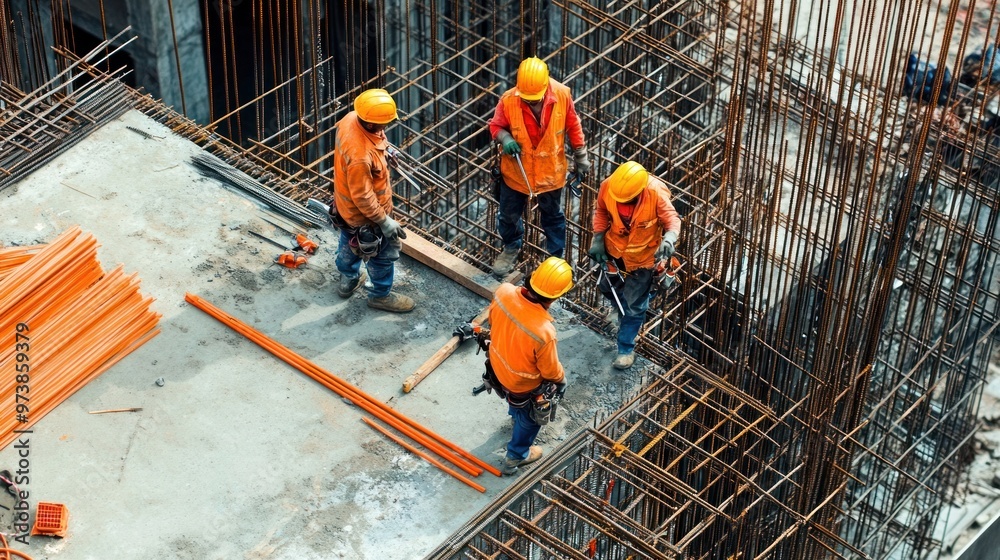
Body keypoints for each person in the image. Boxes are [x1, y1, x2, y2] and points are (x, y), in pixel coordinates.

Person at [488, 57, 590, 277]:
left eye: (534, 99)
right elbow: (495, 126)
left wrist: (581, 155)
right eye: (527, 99)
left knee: (553, 217)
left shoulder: (562, 94)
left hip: (550, 173)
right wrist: (505, 138)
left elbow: (573, 125)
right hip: (516, 173)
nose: (530, 102)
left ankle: (555, 258)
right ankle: (511, 246)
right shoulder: (509, 100)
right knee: (508, 216)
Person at [589, 161, 681, 369]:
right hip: (615, 250)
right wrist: (598, 239)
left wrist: (669, 238)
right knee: (605, 286)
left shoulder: (655, 192)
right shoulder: (609, 186)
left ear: (639, 191)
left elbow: (672, 219)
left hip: (643, 259)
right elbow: (601, 211)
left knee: (634, 306)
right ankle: (618, 307)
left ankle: (625, 348)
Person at [487, 257, 573, 475]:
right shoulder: (544, 331)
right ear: (556, 296)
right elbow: (549, 371)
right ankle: (515, 457)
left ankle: (514, 414)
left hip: (497, 365)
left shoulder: (504, 291)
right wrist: (561, 380)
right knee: (531, 418)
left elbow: (493, 322)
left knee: (514, 401)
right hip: (521, 383)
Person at [332, 88, 414, 313]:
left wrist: (385, 151)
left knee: (348, 242)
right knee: (381, 255)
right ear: (370, 123)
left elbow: (373, 140)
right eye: (383, 124)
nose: (386, 127)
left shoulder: (351, 118)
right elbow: (363, 196)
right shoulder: (360, 157)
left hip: (345, 209)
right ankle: (380, 296)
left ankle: (348, 279)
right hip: (366, 216)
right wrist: (384, 221)